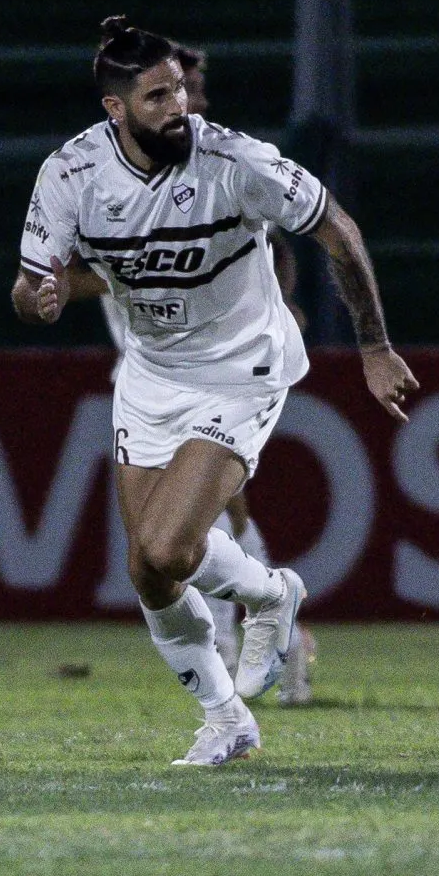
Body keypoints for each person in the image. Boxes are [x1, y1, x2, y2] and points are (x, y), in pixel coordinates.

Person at [12, 16, 418, 766]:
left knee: (170, 543)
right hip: (150, 372)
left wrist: (373, 345)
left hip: (241, 366)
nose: (179, 108)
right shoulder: (69, 175)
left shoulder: (236, 160)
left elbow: (337, 231)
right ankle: (226, 718)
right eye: (158, 96)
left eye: (180, 91)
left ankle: (267, 594)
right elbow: (34, 281)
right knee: (147, 567)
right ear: (116, 109)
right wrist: (37, 295)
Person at [66, 42, 315, 704]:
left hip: (212, 368)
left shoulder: (214, 163)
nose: (190, 102)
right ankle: (269, 635)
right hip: (149, 370)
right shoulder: (107, 173)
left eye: (194, 90)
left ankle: (255, 637)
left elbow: (275, 239)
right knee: (167, 541)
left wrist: (281, 301)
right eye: (181, 89)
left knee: (199, 523)